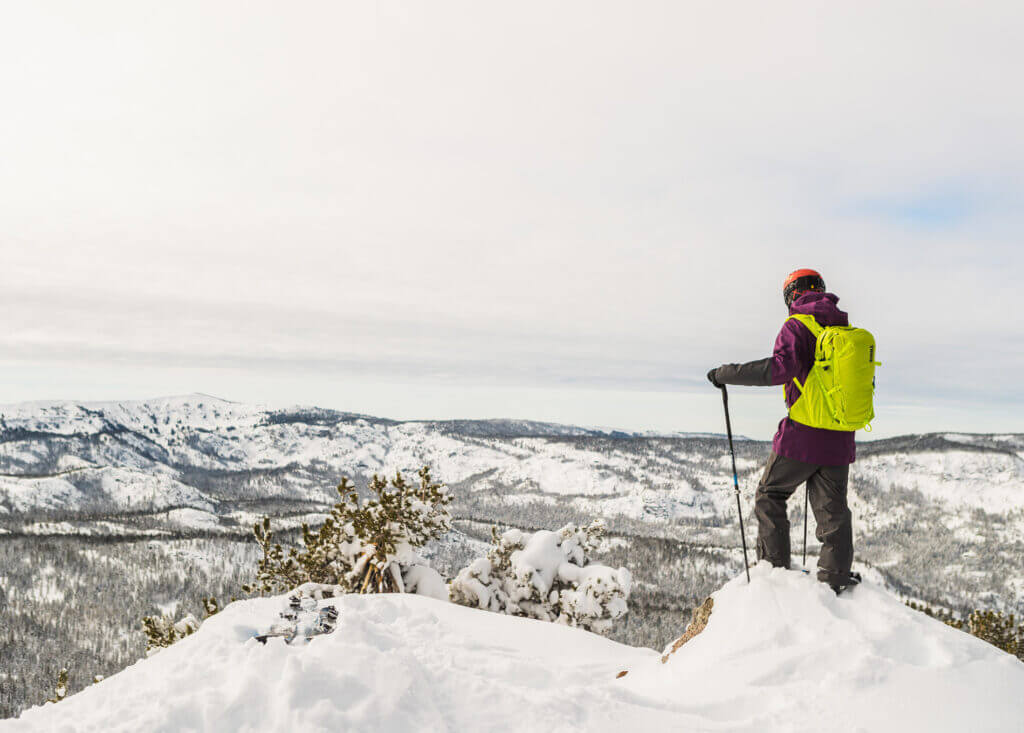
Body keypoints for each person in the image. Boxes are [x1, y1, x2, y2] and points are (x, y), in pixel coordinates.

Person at [707, 268, 861, 593]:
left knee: (770, 495)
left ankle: (773, 572)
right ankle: (835, 577)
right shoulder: (843, 328)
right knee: (833, 511)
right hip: (840, 437)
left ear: (791, 295)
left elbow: (779, 369)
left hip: (802, 436)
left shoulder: (797, 325)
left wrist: (726, 374)